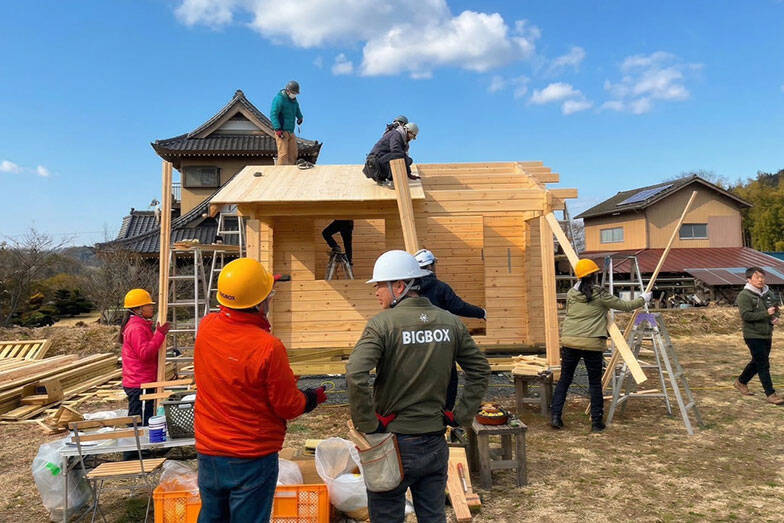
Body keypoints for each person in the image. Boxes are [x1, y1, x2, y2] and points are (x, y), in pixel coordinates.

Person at [347, 250, 490, 523]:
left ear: (400, 286)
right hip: (435, 442)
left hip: (393, 444)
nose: (376, 291)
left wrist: (367, 423)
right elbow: (480, 370)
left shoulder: (381, 325)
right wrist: (460, 416)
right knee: (433, 517)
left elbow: (355, 372)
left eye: (380, 285)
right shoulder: (450, 322)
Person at [194, 258, 327, 522]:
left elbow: (233, 373)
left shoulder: (206, 327)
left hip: (209, 451)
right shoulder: (268, 347)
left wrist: (278, 378)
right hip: (250, 456)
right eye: (268, 295)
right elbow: (288, 406)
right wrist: (311, 397)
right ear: (258, 304)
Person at [550, 258, 650, 432]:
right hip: (592, 342)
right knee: (595, 383)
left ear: (579, 277)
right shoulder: (600, 295)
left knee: (564, 380)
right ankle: (596, 422)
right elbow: (626, 306)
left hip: (570, 341)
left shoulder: (571, 294)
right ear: (594, 276)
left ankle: (556, 416)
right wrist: (643, 299)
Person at [414, 248, 485, 417]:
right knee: (448, 380)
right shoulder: (440, 287)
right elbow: (458, 307)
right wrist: (481, 313)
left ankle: (423, 416)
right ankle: (446, 416)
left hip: (416, 344)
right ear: (430, 266)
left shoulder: (410, 289)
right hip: (441, 342)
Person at [118, 288, 170, 427]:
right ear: (139, 309)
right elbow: (145, 354)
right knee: (140, 423)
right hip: (139, 383)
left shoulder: (140, 325)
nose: (152, 307)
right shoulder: (136, 328)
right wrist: (159, 335)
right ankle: (135, 442)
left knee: (144, 419)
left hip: (142, 381)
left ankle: (140, 441)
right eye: (148, 305)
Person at [733, 267, 783, 404]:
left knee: (758, 361)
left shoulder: (768, 293)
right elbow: (746, 316)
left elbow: (775, 308)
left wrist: (775, 316)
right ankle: (770, 394)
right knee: (763, 364)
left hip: (766, 333)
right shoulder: (744, 295)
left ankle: (741, 381)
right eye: (757, 277)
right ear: (749, 279)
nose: (760, 280)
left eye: (762, 277)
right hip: (752, 334)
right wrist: (766, 314)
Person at [270, 80, 303, 165]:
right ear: (288, 91)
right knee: (283, 153)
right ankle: (280, 171)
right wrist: (277, 128)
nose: (294, 95)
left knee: (293, 153)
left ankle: (291, 170)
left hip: (291, 130)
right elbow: (273, 114)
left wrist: (300, 117)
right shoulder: (279, 99)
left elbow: (297, 109)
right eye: (293, 93)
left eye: (296, 93)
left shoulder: (294, 101)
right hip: (281, 130)